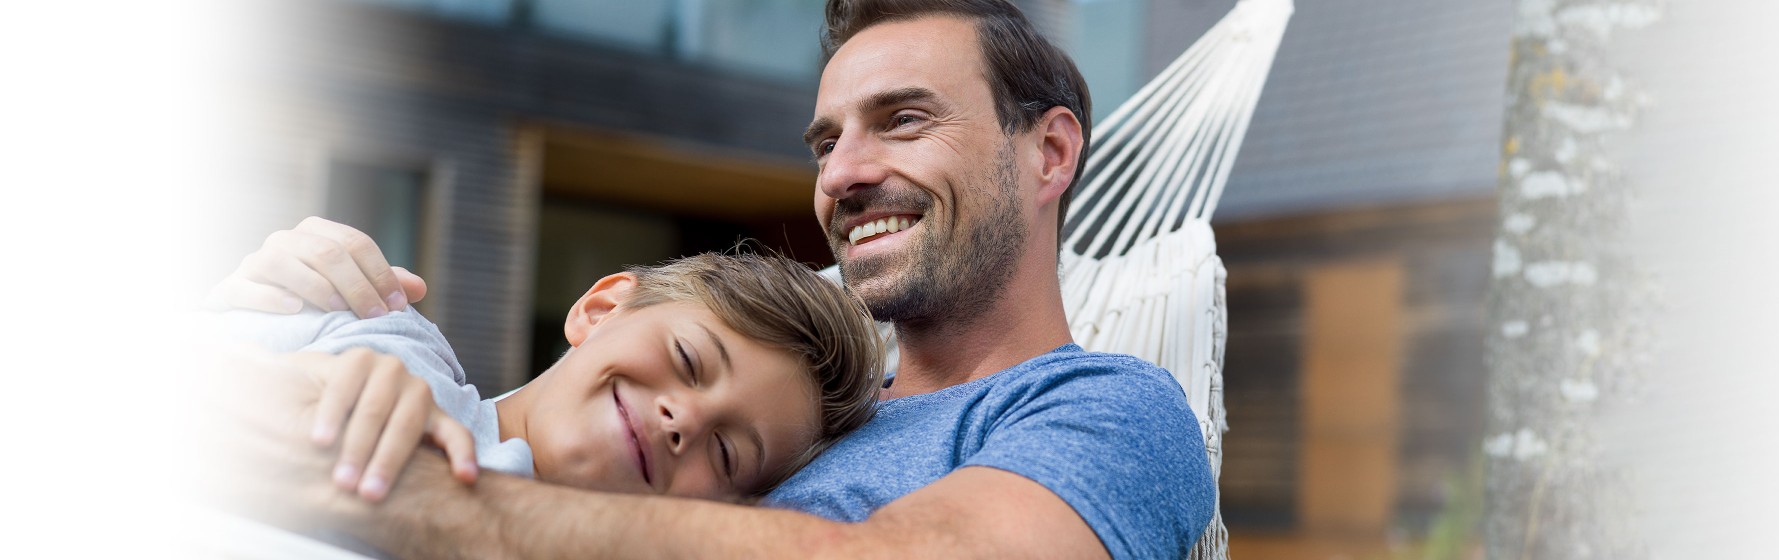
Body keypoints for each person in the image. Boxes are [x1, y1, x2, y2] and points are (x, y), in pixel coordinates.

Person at [213, 1, 1216, 557]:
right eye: (828, 140)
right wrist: (276, 325)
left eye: (903, 119)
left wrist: (391, 494)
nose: (845, 172)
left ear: (1048, 154)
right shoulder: (798, 408)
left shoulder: (1106, 409)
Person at [217, 252, 884, 506]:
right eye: (687, 361)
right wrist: (262, 378)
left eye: (728, 452)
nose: (686, 419)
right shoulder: (373, 327)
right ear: (601, 309)